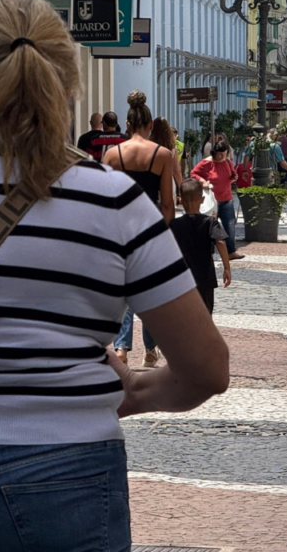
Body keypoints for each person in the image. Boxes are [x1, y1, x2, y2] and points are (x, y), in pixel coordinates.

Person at [0, 0, 228, 550]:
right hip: (67, 473)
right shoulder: (114, 203)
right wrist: (131, 392)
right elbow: (206, 368)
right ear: (68, 86)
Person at [105, 91, 177, 367]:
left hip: (120, 228)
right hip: (150, 228)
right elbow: (168, 204)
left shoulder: (112, 155)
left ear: (128, 123)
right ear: (149, 125)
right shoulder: (163, 154)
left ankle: (121, 348)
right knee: (148, 292)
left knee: (122, 291)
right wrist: (162, 231)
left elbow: (105, 198)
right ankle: (150, 349)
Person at [171, 179, 232, 314]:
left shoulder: (175, 224)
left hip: (182, 278)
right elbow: (221, 242)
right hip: (205, 278)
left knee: (184, 315)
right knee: (205, 313)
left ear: (180, 200)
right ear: (202, 199)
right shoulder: (210, 222)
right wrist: (226, 267)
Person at [192, 141, 245, 260]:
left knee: (230, 225)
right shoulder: (206, 163)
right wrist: (203, 182)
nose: (223, 157)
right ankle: (208, 251)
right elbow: (193, 174)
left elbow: (233, 173)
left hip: (226, 199)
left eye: (225, 154)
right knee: (209, 226)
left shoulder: (227, 162)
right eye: (220, 154)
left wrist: (234, 177)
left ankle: (231, 251)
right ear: (214, 153)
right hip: (212, 201)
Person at [151, 116, 184, 192]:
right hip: (168, 181)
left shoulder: (149, 145)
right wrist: (182, 189)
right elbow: (176, 171)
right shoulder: (172, 148)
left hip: (151, 180)